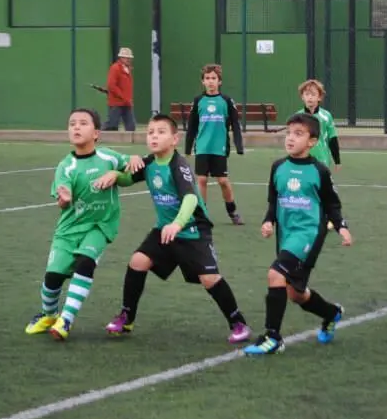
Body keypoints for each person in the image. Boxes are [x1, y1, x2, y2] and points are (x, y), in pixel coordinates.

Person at [101, 114, 251, 344]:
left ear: (174, 139)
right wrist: (115, 175)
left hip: (192, 230)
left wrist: (177, 223)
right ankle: (126, 317)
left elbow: (190, 199)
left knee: (209, 278)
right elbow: (127, 179)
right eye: (150, 132)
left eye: (161, 132)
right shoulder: (149, 163)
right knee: (138, 261)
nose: (154, 136)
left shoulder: (178, 166)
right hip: (165, 230)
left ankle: (237, 322)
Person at [24, 108, 143, 341]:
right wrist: (64, 197)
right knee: (53, 278)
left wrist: (130, 163)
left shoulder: (108, 157)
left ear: (96, 133)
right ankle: (49, 314)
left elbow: (131, 166)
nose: (76, 127)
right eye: (72, 124)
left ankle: (65, 320)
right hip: (68, 230)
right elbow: (63, 195)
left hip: (100, 225)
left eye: (83, 123)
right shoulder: (65, 166)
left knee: (85, 263)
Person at [243, 113, 352, 356]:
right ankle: (331, 313)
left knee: (275, 274)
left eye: (298, 134)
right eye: (289, 133)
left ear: (312, 141)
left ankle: (272, 337)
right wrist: (268, 221)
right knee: (295, 293)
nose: (291, 138)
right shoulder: (278, 167)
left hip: (309, 234)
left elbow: (332, 203)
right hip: (286, 233)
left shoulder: (319, 171)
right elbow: (274, 200)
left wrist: (342, 226)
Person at [185, 64, 244, 225]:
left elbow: (235, 124)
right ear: (202, 82)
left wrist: (239, 145)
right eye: (207, 78)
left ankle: (232, 211)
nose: (210, 82)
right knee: (202, 180)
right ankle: (202, 213)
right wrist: (188, 147)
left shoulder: (226, 101)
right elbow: (192, 126)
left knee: (223, 181)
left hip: (219, 148)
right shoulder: (198, 101)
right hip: (203, 147)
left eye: (213, 78)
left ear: (219, 81)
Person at [297, 79, 341, 171]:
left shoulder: (326, 116)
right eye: (307, 94)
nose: (310, 98)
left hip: (322, 159)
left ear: (319, 97)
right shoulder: (298, 117)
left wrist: (337, 161)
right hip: (303, 160)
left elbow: (332, 139)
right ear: (302, 97)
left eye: (313, 95)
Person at [102, 47, 136, 132]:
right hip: (116, 102)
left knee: (131, 126)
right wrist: (122, 96)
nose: (128, 59)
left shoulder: (127, 69)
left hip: (126, 102)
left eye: (129, 58)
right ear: (121, 58)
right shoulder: (115, 68)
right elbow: (111, 85)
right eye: (126, 57)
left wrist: (128, 99)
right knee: (112, 125)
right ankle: (97, 131)